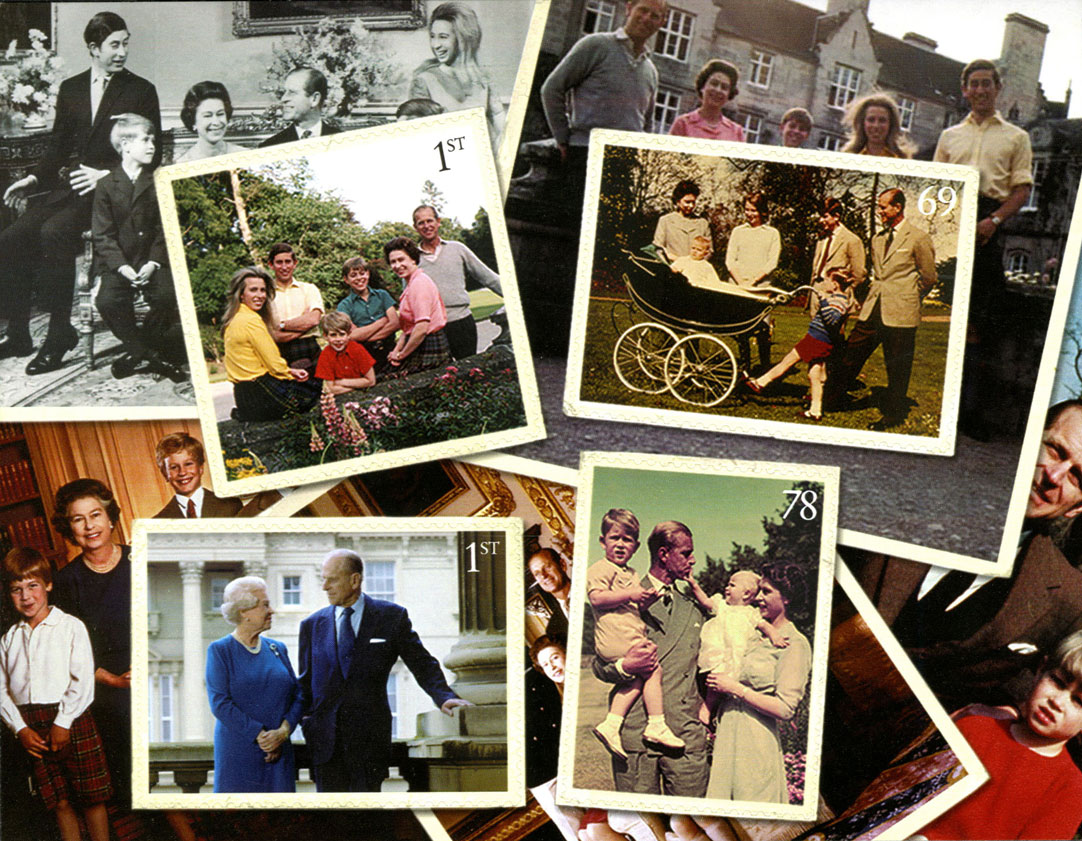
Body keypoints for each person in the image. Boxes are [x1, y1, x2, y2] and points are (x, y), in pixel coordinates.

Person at [849, 399, 1082, 712]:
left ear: (1078, 508)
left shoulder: (1067, 600)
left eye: (1077, 477)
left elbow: (1033, 694)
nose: (1053, 476)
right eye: (1054, 450)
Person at [0, 11, 160, 375]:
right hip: (71, 191)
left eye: (125, 43)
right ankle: (20, 334)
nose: (122, 52)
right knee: (10, 237)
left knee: (52, 232)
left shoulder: (140, 90)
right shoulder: (71, 88)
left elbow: (156, 154)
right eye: (114, 45)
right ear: (93, 48)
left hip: (115, 197)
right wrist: (33, 180)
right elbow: (57, 147)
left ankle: (59, 335)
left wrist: (106, 176)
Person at [297, 548, 470, 792]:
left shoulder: (391, 617)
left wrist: (445, 696)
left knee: (370, 817)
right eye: (322, 578)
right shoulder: (311, 625)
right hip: (325, 745)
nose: (324, 586)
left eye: (331, 579)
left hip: (370, 742)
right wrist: (305, 722)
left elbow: (420, 661)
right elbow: (304, 683)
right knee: (332, 819)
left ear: (355, 580)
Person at [934, 59, 1033, 441]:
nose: (979, 90)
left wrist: (993, 222)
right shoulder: (949, 136)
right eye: (973, 84)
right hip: (951, 223)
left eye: (986, 83)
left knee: (977, 325)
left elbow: (1021, 190)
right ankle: (936, 408)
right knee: (941, 320)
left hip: (988, 226)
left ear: (997, 88)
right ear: (965, 89)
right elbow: (936, 185)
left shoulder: (1016, 138)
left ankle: (969, 412)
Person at [918, 631, 1082, 841]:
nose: (1057, 702)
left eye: (1078, 701)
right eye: (1058, 681)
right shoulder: (975, 726)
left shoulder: (1069, 789)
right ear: (1041, 669)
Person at [0, 547, 112, 841]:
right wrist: (20, 728)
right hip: (30, 726)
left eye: (33, 586)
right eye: (17, 589)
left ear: (48, 584)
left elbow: (83, 679)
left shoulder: (70, 627)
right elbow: (1, 690)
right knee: (59, 801)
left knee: (91, 798)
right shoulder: (9, 639)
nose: (26, 597)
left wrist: (64, 722)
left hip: (70, 719)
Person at [592, 521, 710, 796]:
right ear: (664, 554)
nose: (692, 560)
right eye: (686, 553)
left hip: (684, 734)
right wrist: (625, 666)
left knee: (692, 827)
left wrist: (707, 710)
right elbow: (600, 664)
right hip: (635, 735)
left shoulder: (694, 607)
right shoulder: (623, 595)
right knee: (643, 827)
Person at [50, 479, 132, 804]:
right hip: (108, 684)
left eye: (95, 515)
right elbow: (71, 658)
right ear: (69, 529)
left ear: (110, 518)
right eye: (78, 519)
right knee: (128, 719)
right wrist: (114, 679)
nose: (89, 525)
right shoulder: (65, 583)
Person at [828, 188, 937, 429]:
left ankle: (894, 414)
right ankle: (832, 399)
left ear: (897, 208)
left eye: (883, 207)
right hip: (873, 308)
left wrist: (909, 295)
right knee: (851, 354)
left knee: (897, 365)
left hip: (902, 313)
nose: (880, 211)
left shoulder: (918, 238)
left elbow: (929, 277)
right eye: (879, 207)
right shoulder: (877, 239)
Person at [706, 562, 812, 803]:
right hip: (727, 735)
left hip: (755, 741)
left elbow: (785, 708)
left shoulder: (795, 643)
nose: (758, 598)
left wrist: (736, 689)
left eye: (767, 592)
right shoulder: (753, 633)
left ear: (786, 598)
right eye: (759, 591)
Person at [588, 509, 691, 758]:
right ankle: (656, 724)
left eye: (628, 540)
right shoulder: (600, 569)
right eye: (615, 538)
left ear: (636, 546)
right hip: (617, 641)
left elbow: (632, 606)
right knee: (653, 669)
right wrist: (630, 594)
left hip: (626, 636)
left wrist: (643, 601)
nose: (621, 545)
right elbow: (597, 598)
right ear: (602, 542)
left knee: (639, 677)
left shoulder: (632, 574)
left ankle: (612, 724)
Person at [92, 113, 185, 382]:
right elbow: (103, 235)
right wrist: (121, 267)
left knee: (169, 296)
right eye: (145, 139)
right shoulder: (106, 185)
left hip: (151, 261)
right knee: (107, 301)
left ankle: (137, 351)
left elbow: (163, 229)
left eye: (153, 139)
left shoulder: (157, 181)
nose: (152, 145)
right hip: (119, 264)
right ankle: (150, 357)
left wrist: (153, 262)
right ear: (125, 145)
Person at [205, 576, 302, 793]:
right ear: (243, 612)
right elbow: (220, 703)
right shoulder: (220, 650)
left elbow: (299, 696)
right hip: (240, 751)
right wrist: (262, 738)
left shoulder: (278, 648)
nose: (272, 611)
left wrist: (283, 732)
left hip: (279, 753)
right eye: (265, 605)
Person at [540, 0, 667, 164]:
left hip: (627, 160)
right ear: (629, 9)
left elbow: (648, 122)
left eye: (655, 16)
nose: (646, 18)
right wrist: (563, 138)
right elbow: (551, 88)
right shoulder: (596, 45)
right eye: (642, 10)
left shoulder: (650, 71)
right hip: (586, 152)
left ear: (661, 23)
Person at [745, 267, 855, 421]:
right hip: (821, 341)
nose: (823, 283)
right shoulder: (838, 299)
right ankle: (815, 410)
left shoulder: (838, 301)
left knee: (787, 362)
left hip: (816, 340)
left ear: (835, 284)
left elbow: (832, 319)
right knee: (815, 376)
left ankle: (760, 383)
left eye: (826, 280)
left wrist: (823, 301)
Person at [221, 266, 318, 422]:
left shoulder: (234, 319)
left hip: (243, 396)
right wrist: (289, 374)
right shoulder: (251, 321)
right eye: (253, 290)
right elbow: (274, 365)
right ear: (241, 295)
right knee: (315, 390)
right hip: (261, 393)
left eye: (263, 290)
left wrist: (290, 371)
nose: (260, 296)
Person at [409, 2, 506, 153]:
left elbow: (502, 127)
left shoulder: (483, 78)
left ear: (462, 39)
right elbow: (420, 141)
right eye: (432, 37)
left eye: (443, 37)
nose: (435, 45)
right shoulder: (424, 80)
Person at [697, 570, 790, 726]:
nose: (727, 588)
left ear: (746, 594)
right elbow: (705, 601)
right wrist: (693, 584)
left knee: (733, 681)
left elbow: (765, 626)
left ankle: (720, 712)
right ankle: (707, 707)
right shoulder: (722, 606)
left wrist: (775, 636)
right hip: (719, 650)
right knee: (715, 679)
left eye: (732, 585)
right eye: (728, 584)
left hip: (738, 653)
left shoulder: (751, 613)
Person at [413, 204, 502, 360]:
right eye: (421, 223)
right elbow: (410, 297)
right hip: (433, 329)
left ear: (438, 221)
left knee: (469, 370)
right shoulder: (412, 258)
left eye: (430, 220)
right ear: (415, 227)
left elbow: (488, 277)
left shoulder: (457, 249)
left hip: (462, 323)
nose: (426, 226)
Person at [725, 191, 781, 372]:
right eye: (747, 210)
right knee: (741, 330)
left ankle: (765, 371)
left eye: (753, 210)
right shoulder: (738, 232)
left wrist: (754, 282)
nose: (749, 214)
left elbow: (772, 262)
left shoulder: (772, 233)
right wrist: (741, 283)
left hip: (761, 289)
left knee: (763, 330)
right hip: (738, 288)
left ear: (763, 211)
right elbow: (729, 260)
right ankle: (744, 368)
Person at [384, 236, 452, 374]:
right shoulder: (411, 284)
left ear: (413, 259)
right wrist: (397, 351)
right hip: (420, 344)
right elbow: (408, 328)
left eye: (401, 259)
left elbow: (421, 328)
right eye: (393, 262)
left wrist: (402, 355)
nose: (397, 266)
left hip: (428, 344)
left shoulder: (419, 284)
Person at [265, 242, 323, 379]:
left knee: (317, 394)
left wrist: (281, 326)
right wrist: (304, 325)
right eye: (279, 262)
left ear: (295, 263)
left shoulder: (309, 289)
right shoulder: (265, 295)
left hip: (309, 347)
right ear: (271, 265)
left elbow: (314, 319)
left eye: (288, 262)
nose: (284, 267)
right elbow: (273, 335)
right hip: (279, 352)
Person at [152, 432, 242, 519]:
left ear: (200, 467)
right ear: (165, 474)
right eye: (174, 467)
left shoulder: (230, 506)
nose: (182, 472)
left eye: (188, 464)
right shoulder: (158, 521)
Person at [335, 256, 398, 371]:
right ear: (346, 279)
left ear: (368, 274)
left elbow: (395, 323)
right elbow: (352, 335)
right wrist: (382, 321)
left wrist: (365, 336)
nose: (359, 278)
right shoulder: (344, 306)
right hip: (364, 354)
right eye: (353, 276)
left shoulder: (382, 295)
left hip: (391, 349)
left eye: (362, 273)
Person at [260, 68, 340, 147]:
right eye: (283, 92)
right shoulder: (270, 147)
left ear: (314, 99)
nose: (283, 99)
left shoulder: (344, 143)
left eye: (292, 92)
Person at [669, 59, 745, 142]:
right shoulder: (683, 124)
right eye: (714, 83)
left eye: (724, 87)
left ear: (729, 94)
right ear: (702, 87)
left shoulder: (736, 132)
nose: (718, 90)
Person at [176, 80, 244, 163]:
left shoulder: (245, 156)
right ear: (193, 121)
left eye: (220, 114)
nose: (216, 122)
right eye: (207, 116)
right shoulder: (183, 164)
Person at [315, 311, 377, 395]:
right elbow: (330, 388)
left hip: (365, 393)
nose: (338, 339)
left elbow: (371, 381)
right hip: (341, 396)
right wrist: (358, 387)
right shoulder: (326, 355)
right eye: (333, 335)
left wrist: (340, 382)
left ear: (348, 335)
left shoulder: (357, 349)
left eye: (342, 334)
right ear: (325, 336)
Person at [809, 196, 866, 288]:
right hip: (815, 290)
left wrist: (843, 293)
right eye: (820, 216)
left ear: (836, 217)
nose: (820, 220)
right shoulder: (822, 239)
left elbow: (858, 274)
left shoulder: (852, 240)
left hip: (836, 294)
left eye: (825, 217)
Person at [653, 180, 711, 262]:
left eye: (693, 202)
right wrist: (679, 262)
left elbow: (709, 250)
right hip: (672, 269)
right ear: (677, 201)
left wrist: (697, 263)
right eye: (687, 202)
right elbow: (658, 248)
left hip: (696, 270)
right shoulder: (665, 221)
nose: (690, 206)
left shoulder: (702, 223)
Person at [841, 93, 914, 158]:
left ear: (891, 124)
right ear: (862, 123)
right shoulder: (849, 156)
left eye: (882, 120)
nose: (876, 126)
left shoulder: (901, 159)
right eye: (871, 120)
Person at [527, 547, 572, 638]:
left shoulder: (593, 590)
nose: (543, 576)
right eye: (537, 574)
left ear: (562, 565)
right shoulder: (553, 630)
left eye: (547, 567)